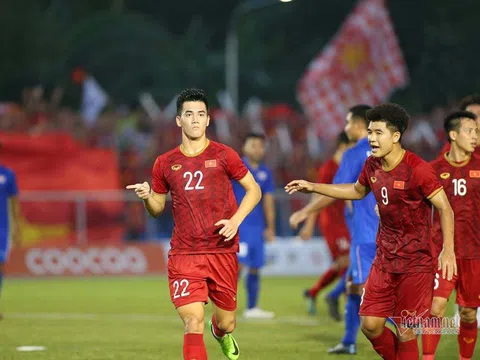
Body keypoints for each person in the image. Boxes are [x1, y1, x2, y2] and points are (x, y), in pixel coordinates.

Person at [285, 103, 457, 360]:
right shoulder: (372, 166)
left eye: (378, 132)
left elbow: (445, 208)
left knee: (405, 330)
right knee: (370, 324)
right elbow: (356, 191)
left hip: (415, 262)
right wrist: (314, 187)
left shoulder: (418, 169)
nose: (372, 138)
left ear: (395, 136)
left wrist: (448, 250)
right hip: (384, 259)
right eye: (370, 132)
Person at [127, 88, 261, 360]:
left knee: (226, 323)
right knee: (192, 321)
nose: (196, 120)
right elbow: (156, 209)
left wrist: (236, 221)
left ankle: (220, 332)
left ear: (209, 119)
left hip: (222, 251)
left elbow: (254, 190)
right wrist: (147, 197)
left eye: (201, 114)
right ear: (179, 120)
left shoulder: (225, 155)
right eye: (189, 114)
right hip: (185, 255)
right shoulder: (164, 163)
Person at [290, 105, 379, 355]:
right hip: (386, 232)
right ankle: (349, 341)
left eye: (349, 122)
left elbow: (334, 191)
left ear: (361, 125)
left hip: (364, 234)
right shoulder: (387, 152)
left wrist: (305, 211)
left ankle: (402, 328)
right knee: (352, 284)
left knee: (366, 292)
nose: (346, 127)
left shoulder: (353, 154)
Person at [422, 111, 480, 360]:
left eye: (477, 131)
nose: (475, 136)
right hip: (443, 253)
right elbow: (413, 201)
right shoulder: (434, 169)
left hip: (475, 254)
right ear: (453, 135)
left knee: (468, 313)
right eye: (470, 131)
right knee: (435, 308)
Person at [292, 131, 352, 318]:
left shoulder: (348, 165)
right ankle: (343, 301)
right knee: (346, 262)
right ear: (343, 146)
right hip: (332, 221)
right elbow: (317, 195)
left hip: (345, 220)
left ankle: (314, 292)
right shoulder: (329, 168)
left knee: (343, 263)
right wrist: (309, 225)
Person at [232, 133, 276, 319]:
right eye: (253, 145)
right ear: (245, 147)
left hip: (256, 228)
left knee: (256, 266)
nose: (257, 149)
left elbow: (268, 201)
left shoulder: (266, 172)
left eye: (260, 145)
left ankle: (252, 308)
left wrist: (270, 227)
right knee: (237, 267)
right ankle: (225, 305)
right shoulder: (235, 168)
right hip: (238, 226)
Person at [0, 145, 21, 320]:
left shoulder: (7, 174)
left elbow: (14, 202)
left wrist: (18, 228)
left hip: (2, 229)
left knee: (0, 266)